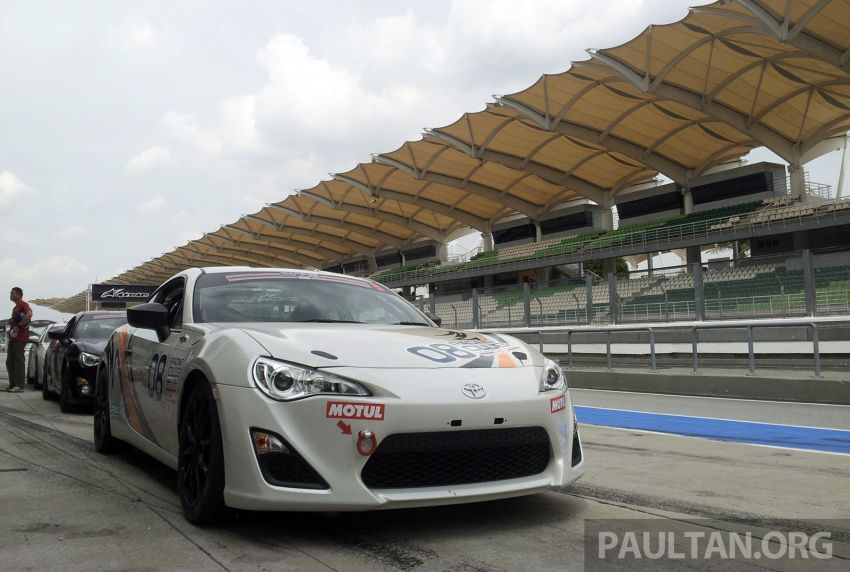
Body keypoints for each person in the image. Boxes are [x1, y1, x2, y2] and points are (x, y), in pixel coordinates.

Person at [5, 287, 32, 393]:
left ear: (19, 295)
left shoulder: (23, 304)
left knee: (18, 362)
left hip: (20, 338)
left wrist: (19, 326)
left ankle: (19, 386)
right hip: (13, 338)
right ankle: (12, 384)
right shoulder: (15, 308)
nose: (10, 294)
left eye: (12, 293)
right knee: (9, 362)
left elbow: (29, 314)